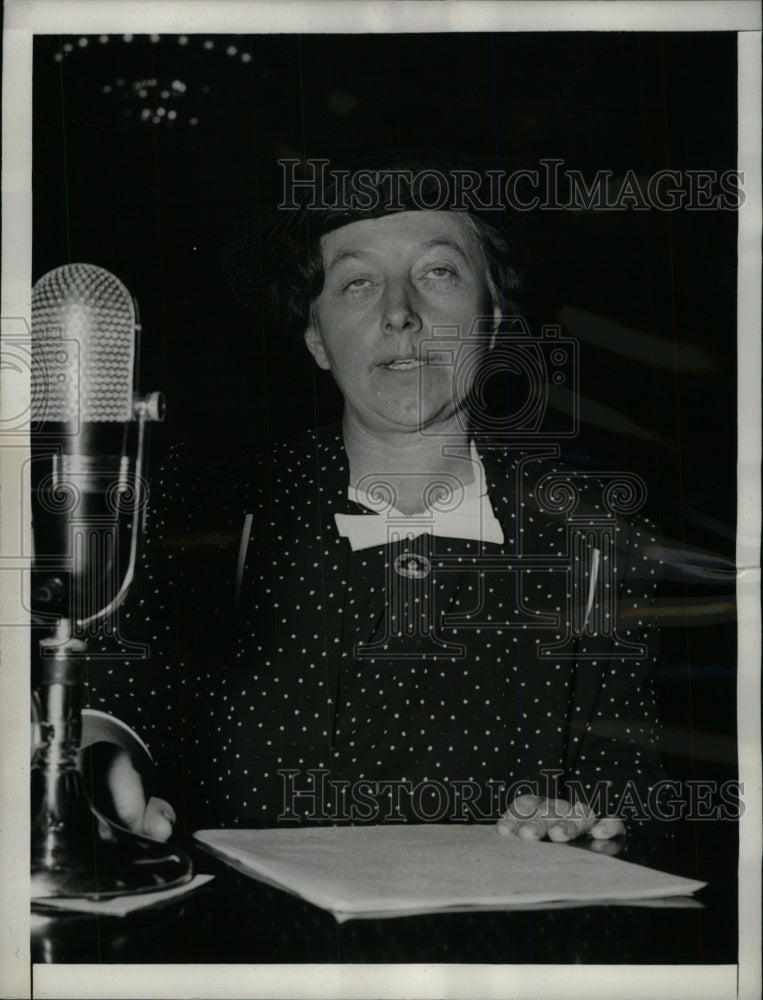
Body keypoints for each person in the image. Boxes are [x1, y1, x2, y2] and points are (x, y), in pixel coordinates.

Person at [83, 157, 664, 846]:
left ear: (493, 317)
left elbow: (631, 795)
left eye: (437, 273)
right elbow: (110, 702)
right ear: (316, 338)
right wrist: (96, 759)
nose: (399, 314)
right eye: (357, 283)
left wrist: (589, 825)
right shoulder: (200, 510)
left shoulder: (593, 537)